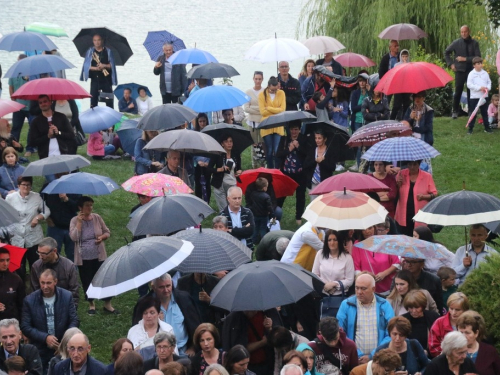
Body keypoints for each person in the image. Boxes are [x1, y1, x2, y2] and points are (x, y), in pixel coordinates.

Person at [21, 269, 79, 371]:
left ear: (55, 282)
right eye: (42, 283)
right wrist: (45, 337)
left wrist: (64, 342)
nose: (45, 286)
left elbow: (74, 320)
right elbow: (25, 326)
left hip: (62, 346)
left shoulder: (66, 296)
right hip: (39, 346)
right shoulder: (29, 300)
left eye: (48, 283)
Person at [69, 196, 118, 315]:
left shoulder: (97, 218)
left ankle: (107, 304)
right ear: (80, 207)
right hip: (83, 257)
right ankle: (91, 305)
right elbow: (74, 237)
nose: (90, 208)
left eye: (91, 205)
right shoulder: (74, 220)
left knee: (104, 279)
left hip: (99, 255)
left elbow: (107, 232)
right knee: (87, 280)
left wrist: (101, 237)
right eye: (87, 205)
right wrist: (79, 223)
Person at [133, 274, 201, 356]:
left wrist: (193, 347)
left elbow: (195, 325)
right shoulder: (144, 304)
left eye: (168, 286)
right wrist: (154, 322)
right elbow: (137, 331)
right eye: (161, 287)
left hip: (183, 352)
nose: (166, 290)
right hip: (156, 354)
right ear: (153, 288)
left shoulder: (184, 298)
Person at [336, 273, 394, 363]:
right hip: (353, 358)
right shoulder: (346, 304)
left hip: (380, 359)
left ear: (373, 289)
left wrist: (374, 354)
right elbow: (340, 332)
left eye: (363, 288)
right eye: (357, 288)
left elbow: (391, 333)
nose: (359, 292)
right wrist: (357, 354)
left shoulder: (385, 305)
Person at [5, 176, 50, 274]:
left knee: (35, 266)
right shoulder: (10, 198)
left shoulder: (36, 197)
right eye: (23, 185)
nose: (26, 187)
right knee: (18, 268)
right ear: (18, 186)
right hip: (16, 237)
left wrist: (37, 217)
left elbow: (46, 211)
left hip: (33, 237)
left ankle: (35, 286)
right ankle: (20, 286)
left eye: (28, 185)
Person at [30, 237, 79, 308]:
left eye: (43, 254)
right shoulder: (36, 266)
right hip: (44, 306)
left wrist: (71, 311)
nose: (40, 257)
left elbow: (74, 292)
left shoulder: (68, 266)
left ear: (54, 251)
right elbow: (35, 292)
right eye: (39, 253)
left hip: (64, 306)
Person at [351, 227, 400, 296]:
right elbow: (357, 269)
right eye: (364, 229)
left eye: (370, 228)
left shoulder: (386, 242)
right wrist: (367, 278)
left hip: (388, 288)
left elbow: (396, 263)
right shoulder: (358, 245)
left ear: (375, 228)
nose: (367, 231)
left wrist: (384, 274)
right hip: (368, 290)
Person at [445, 25, 481, 119]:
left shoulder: (474, 43)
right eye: (462, 32)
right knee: (458, 91)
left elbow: (478, 58)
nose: (463, 34)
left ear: (469, 32)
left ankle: (471, 111)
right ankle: (455, 111)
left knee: (471, 91)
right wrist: (451, 64)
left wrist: (465, 59)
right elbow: (446, 52)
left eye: (465, 32)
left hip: (471, 70)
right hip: (459, 70)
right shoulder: (456, 42)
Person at [275, 121, 307, 225]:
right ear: (289, 130)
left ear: (299, 130)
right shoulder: (284, 139)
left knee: (300, 196)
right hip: (286, 173)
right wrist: (289, 149)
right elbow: (278, 154)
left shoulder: (303, 139)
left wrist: (299, 148)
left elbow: (307, 155)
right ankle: (275, 216)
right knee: (280, 195)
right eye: (292, 129)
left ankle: (298, 218)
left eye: (296, 129)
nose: (294, 132)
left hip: (300, 174)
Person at [394, 160, 437, 236]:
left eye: (415, 164)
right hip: (403, 214)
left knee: (419, 237)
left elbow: (434, 194)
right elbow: (394, 193)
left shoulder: (427, 176)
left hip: (420, 214)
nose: (412, 167)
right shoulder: (401, 174)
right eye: (410, 164)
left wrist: (424, 197)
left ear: (419, 164)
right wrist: (397, 184)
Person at [28, 95, 75, 160]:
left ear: (50, 102)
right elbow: (32, 142)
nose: (43, 104)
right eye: (40, 103)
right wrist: (47, 136)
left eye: (45, 101)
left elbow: (71, 135)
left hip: (63, 154)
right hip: (45, 157)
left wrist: (58, 132)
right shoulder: (36, 121)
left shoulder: (61, 117)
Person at [312, 230, 355, 296]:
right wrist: (326, 285)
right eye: (329, 240)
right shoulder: (320, 254)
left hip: (341, 295)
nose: (332, 243)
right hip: (323, 293)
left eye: (335, 240)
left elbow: (350, 280)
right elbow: (315, 274)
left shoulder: (347, 258)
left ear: (339, 241)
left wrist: (335, 284)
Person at [457, 310, 500, 375]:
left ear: (476, 333)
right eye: (460, 332)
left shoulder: (490, 351)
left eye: (467, 333)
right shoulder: (452, 352)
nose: (463, 336)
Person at [428, 292, 469, 357]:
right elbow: (433, 347)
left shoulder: (470, 322)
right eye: (451, 308)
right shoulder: (439, 322)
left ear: (465, 310)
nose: (453, 312)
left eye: (457, 310)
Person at [80, 34, 116, 108]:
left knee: (109, 102)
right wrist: (96, 68)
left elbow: (112, 66)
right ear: (93, 41)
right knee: (93, 102)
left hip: (106, 80)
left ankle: (110, 118)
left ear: (102, 41)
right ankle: (93, 118)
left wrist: (104, 66)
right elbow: (86, 66)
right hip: (95, 80)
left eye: (99, 40)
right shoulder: (90, 51)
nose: (97, 42)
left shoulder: (108, 51)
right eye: (95, 40)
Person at [208, 135, 242, 211]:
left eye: (231, 141)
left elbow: (239, 168)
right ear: (222, 144)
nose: (229, 143)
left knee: (233, 207)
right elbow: (209, 169)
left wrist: (239, 171)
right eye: (226, 142)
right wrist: (219, 169)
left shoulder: (236, 154)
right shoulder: (217, 154)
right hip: (220, 184)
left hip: (232, 183)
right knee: (224, 209)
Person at [258, 77, 286, 169]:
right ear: (268, 86)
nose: (274, 91)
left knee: (277, 150)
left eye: (275, 89)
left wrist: (269, 108)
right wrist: (276, 110)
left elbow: (282, 110)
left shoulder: (281, 93)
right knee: (269, 150)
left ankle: (277, 168)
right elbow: (262, 112)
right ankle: (270, 168)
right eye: (272, 90)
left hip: (278, 125)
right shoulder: (262, 95)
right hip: (267, 125)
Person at [401, 290, 440, 355]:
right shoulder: (403, 320)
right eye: (410, 307)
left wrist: (427, 352)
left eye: (417, 307)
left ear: (423, 306)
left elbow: (440, 338)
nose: (414, 311)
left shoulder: (433, 317)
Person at [304, 130, 336, 197]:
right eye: (316, 138)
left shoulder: (329, 151)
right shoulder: (312, 150)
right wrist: (315, 161)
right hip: (313, 182)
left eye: (319, 138)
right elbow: (306, 165)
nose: (317, 140)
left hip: (325, 183)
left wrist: (322, 162)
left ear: (325, 139)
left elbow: (332, 167)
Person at [9, 54, 32, 146]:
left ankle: (31, 147)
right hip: (18, 106)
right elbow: (11, 86)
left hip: (30, 105)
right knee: (16, 127)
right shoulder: (13, 73)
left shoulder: (31, 73)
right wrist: (12, 98)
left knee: (33, 127)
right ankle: (14, 145)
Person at [244, 72, 265, 169]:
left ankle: (262, 164)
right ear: (253, 79)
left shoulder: (265, 91)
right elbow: (246, 108)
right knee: (254, 144)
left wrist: (255, 108)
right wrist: (259, 109)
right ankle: (254, 166)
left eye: (259, 79)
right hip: (252, 122)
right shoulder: (248, 92)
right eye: (256, 79)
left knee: (262, 144)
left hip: (263, 122)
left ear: (262, 79)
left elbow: (265, 107)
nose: (258, 81)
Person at [466, 57, 492, 134]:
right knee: (473, 113)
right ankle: (470, 128)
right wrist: (479, 88)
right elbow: (469, 84)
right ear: (474, 65)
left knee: (485, 112)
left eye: (481, 63)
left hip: (484, 96)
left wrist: (488, 88)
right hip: (474, 97)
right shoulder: (471, 74)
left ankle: (487, 128)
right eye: (478, 64)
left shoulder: (485, 73)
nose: (480, 65)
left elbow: (489, 82)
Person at [0, 249, 25, 322]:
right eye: (1, 260)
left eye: (8, 260)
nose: (6, 263)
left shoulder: (16, 279)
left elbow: (22, 304)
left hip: (12, 323)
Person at [248, 177, 273, 244]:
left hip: (255, 215)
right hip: (264, 216)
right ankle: (264, 242)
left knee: (255, 228)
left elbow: (251, 203)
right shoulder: (266, 196)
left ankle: (253, 241)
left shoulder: (253, 194)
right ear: (264, 188)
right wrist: (272, 214)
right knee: (263, 229)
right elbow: (269, 207)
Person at [193, 113, 212, 202]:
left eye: (204, 121)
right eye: (200, 121)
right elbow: (192, 150)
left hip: (207, 162)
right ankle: (199, 201)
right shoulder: (194, 133)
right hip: (198, 162)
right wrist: (197, 160)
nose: (202, 123)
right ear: (197, 122)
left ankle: (207, 201)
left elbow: (212, 150)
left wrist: (208, 162)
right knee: (198, 183)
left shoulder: (210, 133)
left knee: (207, 182)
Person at [390, 49, 412, 120]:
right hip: (398, 88)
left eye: (406, 56)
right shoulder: (397, 65)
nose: (404, 58)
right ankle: (391, 119)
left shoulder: (411, 65)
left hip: (407, 88)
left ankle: (405, 120)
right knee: (396, 105)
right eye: (403, 56)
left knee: (406, 105)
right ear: (400, 57)